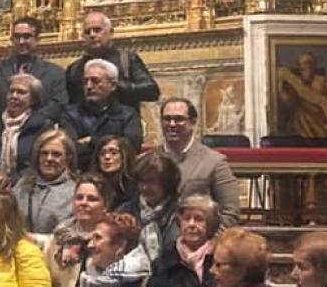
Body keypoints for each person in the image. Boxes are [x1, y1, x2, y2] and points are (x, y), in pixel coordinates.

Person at [158, 97, 240, 227]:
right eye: (167, 119)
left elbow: (230, 212)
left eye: (179, 119)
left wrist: (208, 244)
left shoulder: (214, 162)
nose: (172, 124)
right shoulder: (147, 160)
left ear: (193, 122)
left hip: (200, 242)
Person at [44, 173, 113, 287]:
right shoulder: (59, 237)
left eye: (92, 199)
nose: (84, 203)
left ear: (106, 204)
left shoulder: (114, 238)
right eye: (79, 197)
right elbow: (47, 282)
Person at [65, 12, 160, 111]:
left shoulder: (127, 60)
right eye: (87, 32)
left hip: (124, 122)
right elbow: (67, 103)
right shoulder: (74, 69)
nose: (92, 35)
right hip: (86, 124)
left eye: (97, 30)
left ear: (111, 32)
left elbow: (151, 91)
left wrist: (114, 85)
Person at [60, 59, 143, 169]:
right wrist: (112, 147)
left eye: (95, 81)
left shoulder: (128, 114)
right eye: (85, 81)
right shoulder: (70, 114)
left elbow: (130, 148)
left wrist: (91, 141)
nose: (89, 86)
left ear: (112, 85)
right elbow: (70, 150)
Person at [0, 17, 67, 121]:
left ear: (37, 39)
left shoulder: (55, 73)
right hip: (0, 130)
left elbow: (58, 104)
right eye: (17, 37)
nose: (21, 42)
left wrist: (28, 124)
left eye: (26, 37)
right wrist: (1, 123)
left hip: (39, 131)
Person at [0, 74, 53, 180]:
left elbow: (36, 165)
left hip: (27, 183)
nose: (14, 96)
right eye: (11, 91)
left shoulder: (42, 126)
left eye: (21, 92)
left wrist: (11, 182)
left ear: (33, 99)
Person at [12, 129, 76, 237]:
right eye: (44, 153)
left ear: (68, 158)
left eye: (56, 154)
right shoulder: (23, 185)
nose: (49, 158)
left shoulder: (75, 192)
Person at [133, 152, 183, 262]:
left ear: (167, 184)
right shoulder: (125, 211)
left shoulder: (182, 214)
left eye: (151, 182)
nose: (144, 187)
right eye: (141, 181)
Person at [92, 135, 138, 211]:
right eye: (102, 153)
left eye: (113, 153)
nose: (107, 157)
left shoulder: (135, 187)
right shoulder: (92, 186)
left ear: (124, 157)